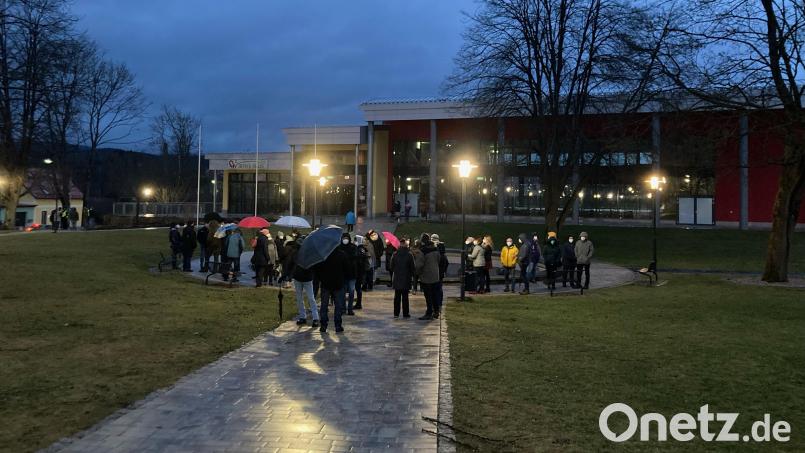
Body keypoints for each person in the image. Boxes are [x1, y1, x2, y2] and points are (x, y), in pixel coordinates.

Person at [314, 246, 349, 333]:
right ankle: (338, 325)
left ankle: (323, 325)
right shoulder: (342, 255)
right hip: (338, 284)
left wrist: (321, 279)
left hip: (326, 284)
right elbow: (347, 269)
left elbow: (318, 270)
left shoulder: (323, 255)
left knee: (324, 305)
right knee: (338, 306)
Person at [290, 236, 319, 328]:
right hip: (297, 277)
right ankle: (302, 316)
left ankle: (315, 318)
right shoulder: (295, 253)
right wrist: (286, 275)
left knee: (311, 298)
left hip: (307, 278)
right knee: (299, 298)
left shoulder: (309, 253)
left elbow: (314, 266)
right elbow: (290, 264)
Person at [418, 234, 442, 320]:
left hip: (426, 276)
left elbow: (419, 264)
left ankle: (429, 312)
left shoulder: (423, 251)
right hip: (435, 275)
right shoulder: (436, 249)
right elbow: (439, 260)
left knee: (428, 296)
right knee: (435, 294)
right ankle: (436, 311)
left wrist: (417, 272)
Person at [390, 238, 415, 318]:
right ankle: (405, 313)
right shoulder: (409, 255)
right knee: (405, 298)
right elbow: (413, 268)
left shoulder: (395, 254)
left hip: (397, 278)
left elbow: (391, 266)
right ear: (406, 245)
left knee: (397, 297)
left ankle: (396, 313)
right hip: (406, 279)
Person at [338, 232, 359, 315]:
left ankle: (350, 308)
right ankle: (343, 308)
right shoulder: (339, 247)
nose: (345, 240)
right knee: (342, 292)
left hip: (352, 274)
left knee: (351, 291)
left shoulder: (353, 247)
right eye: (344, 238)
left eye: (346, 238)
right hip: (343, 274)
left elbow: (355, 257)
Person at [431, 234, 449, 312]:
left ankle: (435, 306)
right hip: (440, 273)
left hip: (435, 272)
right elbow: (447, 262)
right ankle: (439, 305)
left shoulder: (434, 249)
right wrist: (444, 271)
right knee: (439, 289)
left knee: (434, 290)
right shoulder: (443, 251)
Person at [354, 235, 369, 309]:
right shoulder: (362, 249)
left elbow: (359, 262)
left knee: (358, 288)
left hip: (359, 272)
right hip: (361, 272)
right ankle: (358, 303)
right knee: (358, 288)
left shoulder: (359, 250)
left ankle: (358, 304)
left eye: (355, 240)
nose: (354, 242)